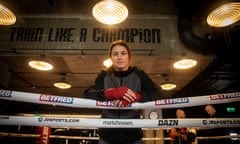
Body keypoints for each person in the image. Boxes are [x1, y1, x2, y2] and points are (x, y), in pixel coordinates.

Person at [84, 40, 163, 144]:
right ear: (111, 58)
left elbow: (158, 95)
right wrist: (110, 93)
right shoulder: (104, 75)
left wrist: (136, 97)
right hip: (107, 136)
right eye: (115, 54)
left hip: (133, 136)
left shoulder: (139, 74)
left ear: (129, 57)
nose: (119, 57)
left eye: (123, 53)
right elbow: (88, 94)